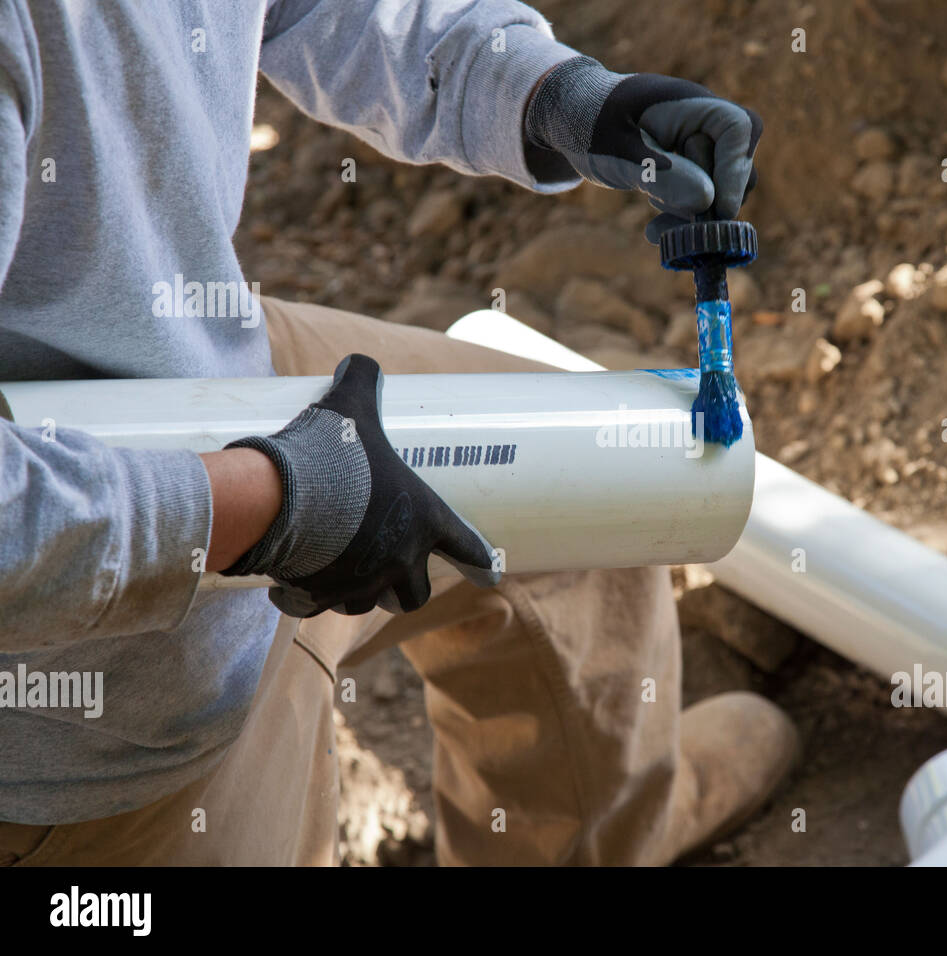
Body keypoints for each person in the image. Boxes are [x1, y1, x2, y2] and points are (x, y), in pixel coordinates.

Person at [0, 0, 797, 865]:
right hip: (81, 722)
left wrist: (556, 97)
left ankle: (591, 838)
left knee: (598, 506)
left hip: (190, 344)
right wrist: (282, 504)